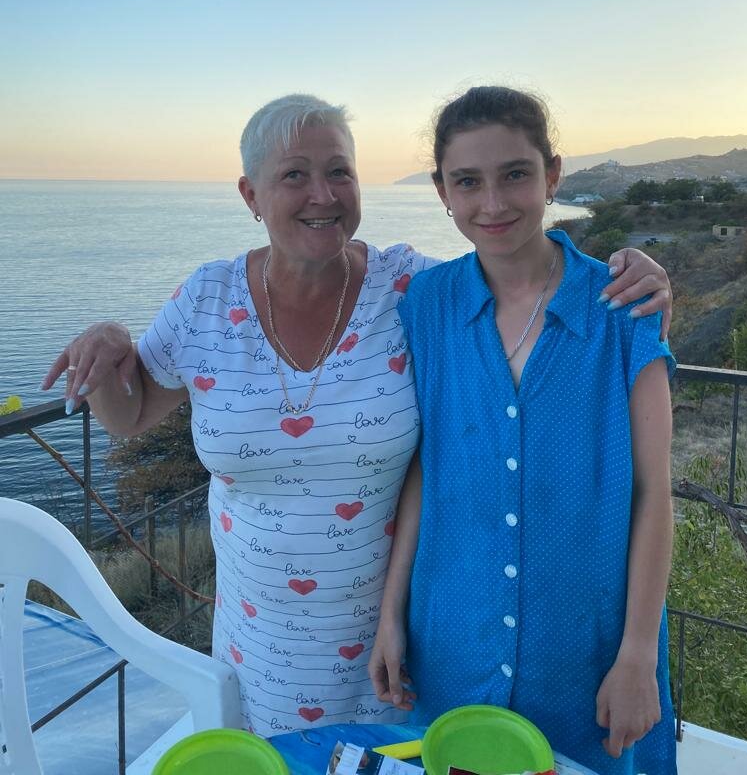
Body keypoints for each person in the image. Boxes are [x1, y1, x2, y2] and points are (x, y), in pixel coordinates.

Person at [42, 93, 672, 740]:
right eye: (294, 174)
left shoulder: (405, 288)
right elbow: (130, 414)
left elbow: (516, 277)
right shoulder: (207, 299)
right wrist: (107, 343)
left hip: (402, 643)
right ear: (251, 194)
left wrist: (639, 278)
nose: (322, 194)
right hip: (262, 643)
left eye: (338, 171)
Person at [369, 87, 676, 775]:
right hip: (452, 645)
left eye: (514, 174)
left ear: (552, 175)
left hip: (588, 655)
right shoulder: (426, 305)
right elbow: (424, 471)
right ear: (442, 192)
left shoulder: (623, 309)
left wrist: (637, 655)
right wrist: (391, 614)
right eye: (467, 182)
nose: (493, 203)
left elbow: (654, 494)